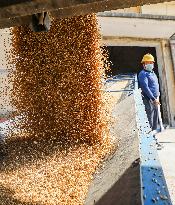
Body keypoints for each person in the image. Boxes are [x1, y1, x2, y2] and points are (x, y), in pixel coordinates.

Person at [138, 53, 160, 132]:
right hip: (149, 98)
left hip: (155, 98)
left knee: (155, 115)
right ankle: (148, 133)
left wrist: (157, 95)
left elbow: (155, 84)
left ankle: (153, 131)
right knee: (149, 115)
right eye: (148, 63)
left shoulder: (152, 73)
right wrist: (153, 98)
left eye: (151, 63)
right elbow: (145, 87)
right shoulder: (143, 74)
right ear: (144, 64)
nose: (151, 64)